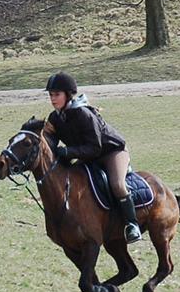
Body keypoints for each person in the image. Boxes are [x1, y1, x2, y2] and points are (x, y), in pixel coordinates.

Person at [45, 72, 142, 243]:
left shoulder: (83, 114)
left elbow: (95, 147)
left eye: (57, 95)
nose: (53, 99)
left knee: (117, 185)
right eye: (51, 95)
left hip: (112, 152)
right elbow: (49, 138)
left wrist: (68, 152)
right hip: (88, 156)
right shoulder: (55, 117)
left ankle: (132, 225)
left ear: (68, 95)